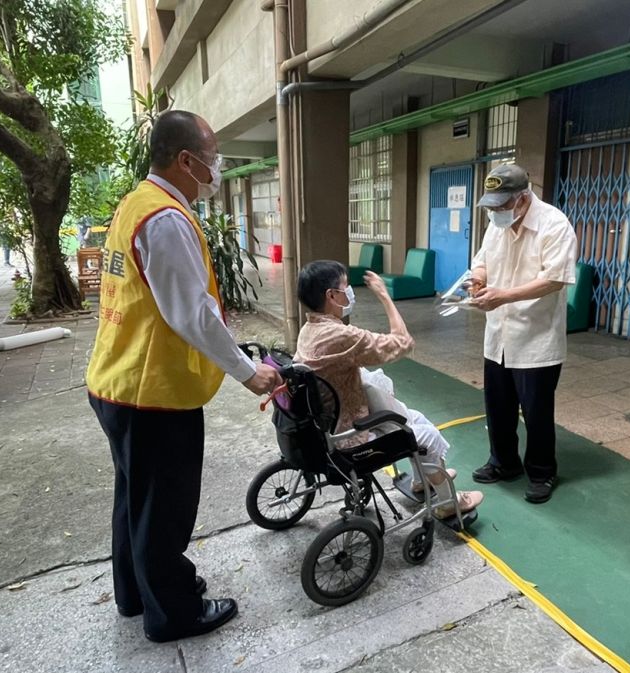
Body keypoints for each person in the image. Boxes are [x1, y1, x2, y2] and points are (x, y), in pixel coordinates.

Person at [85, 110, 281, 643]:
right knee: (164, 508)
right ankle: (174, 612)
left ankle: (134, 594)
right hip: (153, 394)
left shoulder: (136, 204)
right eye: (213, 158)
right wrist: (248, 372)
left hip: (117, 382)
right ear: (187, 160)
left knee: (135, 499)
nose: (218, 168)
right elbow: (192, 313)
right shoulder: (166, 219)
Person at [294, 260, 483, 518]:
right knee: (424, 435)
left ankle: (422, 480)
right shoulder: (340, 337)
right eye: (346, 287)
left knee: (414, 417)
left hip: (328, 423)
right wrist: (384, 296)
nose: (350, 292)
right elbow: (402, 342)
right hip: (349, 436)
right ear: (332, 296)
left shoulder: (310, 330)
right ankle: (448, 503)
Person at [468, 164, 577, 504]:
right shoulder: (497, 223)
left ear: (523, 198)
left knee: (536, 411)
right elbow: (482, 260)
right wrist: (478, 280)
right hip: (498, 334)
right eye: (493, 206)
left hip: (535, 337)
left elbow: (556, 278)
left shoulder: (554, 225)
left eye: (502, 206)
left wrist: (505, 295)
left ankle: (543, 472)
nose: (496, 213)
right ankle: (503, 463)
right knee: (497, 406)